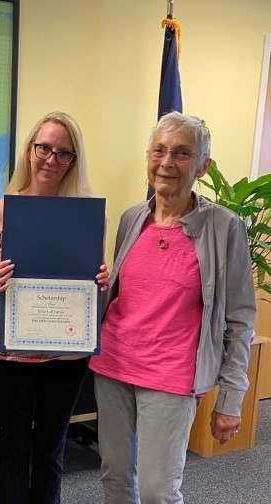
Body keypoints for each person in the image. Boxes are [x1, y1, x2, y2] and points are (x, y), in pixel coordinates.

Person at [89, 111, 257, 503]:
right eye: (159, 151)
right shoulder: (132, 218)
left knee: (157, 490)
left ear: (203, 166)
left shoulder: (224, 227)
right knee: (115, 477)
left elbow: (240, 319)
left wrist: (232, 398)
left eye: (182, 153)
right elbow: (124, 293)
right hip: (113, 365)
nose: (167, 162)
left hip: (171, 375)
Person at [0, 111, 109, 504]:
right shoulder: (0, 211)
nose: (52, 159)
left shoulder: (88, 214)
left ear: (74, 159)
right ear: (29, 150)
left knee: (51, 450)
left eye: (63, 153)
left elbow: (93, 283)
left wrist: (102, 279)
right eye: (44, 148)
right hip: (10, 353)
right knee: (14, 449)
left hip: (67, 352)